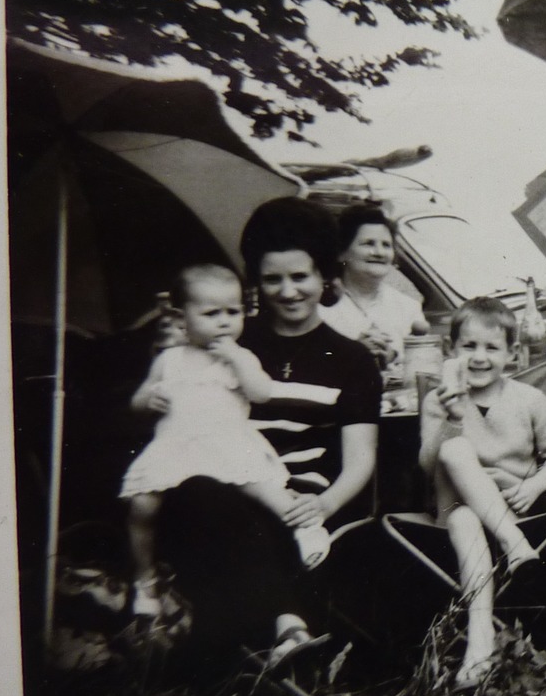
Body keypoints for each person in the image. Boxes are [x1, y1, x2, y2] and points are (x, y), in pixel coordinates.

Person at [154, 198, 381, 669]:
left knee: (246, 521)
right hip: (223, 485)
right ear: (255, 280)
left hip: (302, 499)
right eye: (272, 278)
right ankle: (288, 625)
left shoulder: (353, 360)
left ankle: (245, 642)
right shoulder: (228, 339)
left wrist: (326, 503)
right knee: (202, 494)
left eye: (300, 277)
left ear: (324, 277)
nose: (288, 291)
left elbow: (361, 458)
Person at [123, 264, 332, 617]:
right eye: (211, 314)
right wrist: (149, 401)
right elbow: (138, 401)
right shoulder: (168, 360)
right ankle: (144, 579)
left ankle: (307, 531)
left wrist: (238, 360)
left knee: (265, 491)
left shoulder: (240, 357)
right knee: (142, 505)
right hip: (177, 447)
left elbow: (261, 393)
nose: (224, 322)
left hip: (228, 445)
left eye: (233, 313)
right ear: (181, 317)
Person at [418, 297, 546, 688]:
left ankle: (479, 644)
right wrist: (452, 419)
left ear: (513, 354)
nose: (479, 357)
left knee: (469, 517)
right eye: (469, 347)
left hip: (513, 506)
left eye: (492, 348)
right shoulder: (438, 401)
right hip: (457, 503)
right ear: (451, 351)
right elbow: (426, 465)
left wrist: (535, 484)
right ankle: (514, 552)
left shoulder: (529, 399)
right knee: (455, 454)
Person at [322, 204, 429, 385]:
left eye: (386, 245)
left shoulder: (408, 307)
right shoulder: (321, 306)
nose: (379, 252)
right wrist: (354, 352)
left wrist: (393, 356)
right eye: (368, 243)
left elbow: (423, 371)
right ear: (341, 253)